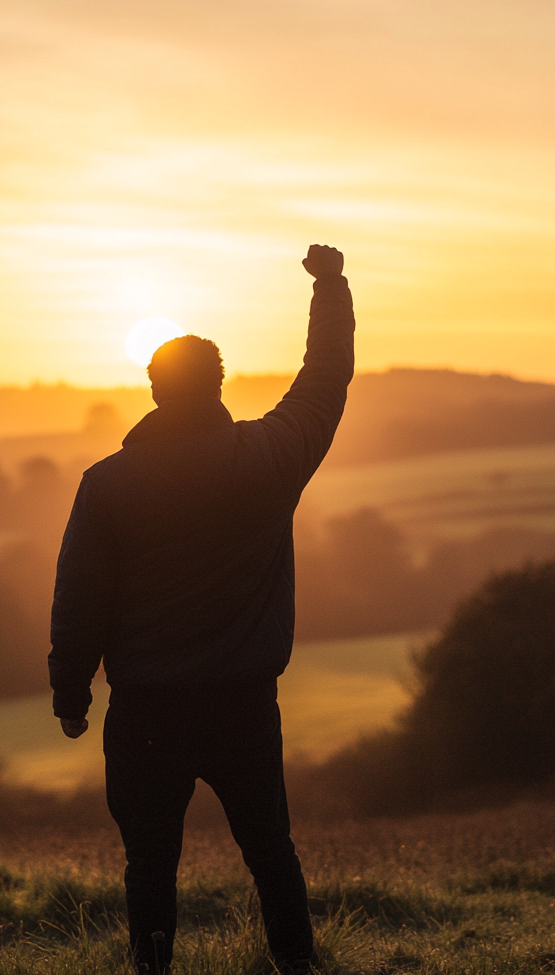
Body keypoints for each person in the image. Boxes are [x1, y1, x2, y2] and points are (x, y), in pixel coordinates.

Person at [48, 244, 354, 975]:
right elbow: (325, 382)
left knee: (149, 862)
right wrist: (331, 289)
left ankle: (153, 968)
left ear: (153, 390)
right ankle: (298, 965)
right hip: (244, 704)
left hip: (147, 709)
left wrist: (70, 694)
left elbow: (80, 596)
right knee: (269, 849)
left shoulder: (109, 484)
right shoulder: (270, 458)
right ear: (219, 383)